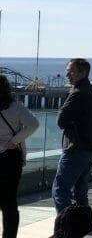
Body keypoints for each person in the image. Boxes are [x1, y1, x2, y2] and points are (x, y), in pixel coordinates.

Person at [52, 58, 92, 213]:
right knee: (80, 192)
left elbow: (61, 119)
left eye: (71, 72)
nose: (67, 75)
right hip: (90, 146)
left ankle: (66, 228)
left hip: (77, 147)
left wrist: (68, 124)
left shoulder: (79, 92)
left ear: (83, 73)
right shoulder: (89, 89)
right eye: (67, 71)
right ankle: (84, 227)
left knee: (60, 189)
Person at [0, 75, 39, 238]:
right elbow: (34, 124)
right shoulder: (16, 108)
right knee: (9, 202)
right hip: (11, 157)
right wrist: (14, 141)